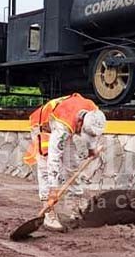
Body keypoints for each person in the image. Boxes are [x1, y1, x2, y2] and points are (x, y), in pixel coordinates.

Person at [40, 94, 107, 232]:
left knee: (72, 164)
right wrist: (53, 190)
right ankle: (48, 212)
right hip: (44, 125)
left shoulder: (93, 113)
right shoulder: (63, 127)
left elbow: (91, 133)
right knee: (45, 164)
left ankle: (74, 207)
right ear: (80, 122)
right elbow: (54, 159)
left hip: (67, 122)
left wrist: (92, 149)